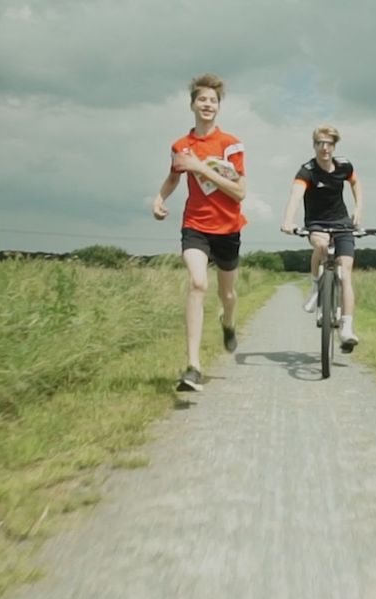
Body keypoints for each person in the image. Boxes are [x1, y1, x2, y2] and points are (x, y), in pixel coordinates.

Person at [152, 73, 247, 392]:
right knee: (196, 283)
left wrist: (203, 168)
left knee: (228, 295)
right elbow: (174, 177)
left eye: (213, 101)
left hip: (228, 228)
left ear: (219, 107)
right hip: (195, 225)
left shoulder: (230, 144)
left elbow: (240, 192)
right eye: (202, 99)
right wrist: (159, 198)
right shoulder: (181, 146)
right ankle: (193, 366)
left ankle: (228, 322)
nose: (208, 104)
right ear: (192, 105)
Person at [280, 124, 365, 350]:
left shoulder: (344, 165)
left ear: (334, 146)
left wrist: (358, 208)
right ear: (314, 145)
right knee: (321, 245)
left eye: (328, 144)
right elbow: (296, 195)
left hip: (342, 223)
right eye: (320, 143)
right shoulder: (307, 170)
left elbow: (355, 183)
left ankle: (346, 328)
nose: (324, 148)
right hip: (317, 224)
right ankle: (316, 287)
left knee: (345, 271)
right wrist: (288, 220)